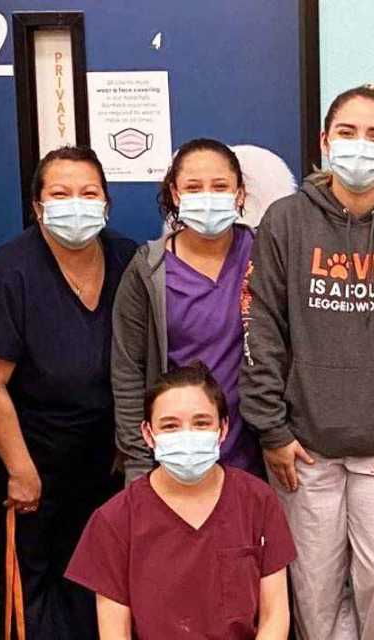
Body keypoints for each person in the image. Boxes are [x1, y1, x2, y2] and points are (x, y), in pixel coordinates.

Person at [242, 84, 374, 640]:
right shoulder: (286, 222)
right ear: (325, 142)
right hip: (303, 450)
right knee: (314, 598)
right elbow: (261, 328)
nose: (360, 145)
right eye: (347, 132)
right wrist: (272, 429)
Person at [0, 146, 137, 639]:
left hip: (105, 462)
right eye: (60, 194)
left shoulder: (128, 259)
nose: (76, 204)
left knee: (97, 579)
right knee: (29, 592)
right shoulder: (9, 273)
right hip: (32, 463)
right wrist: (20, 470)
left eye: (89, 193)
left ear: (106, 203)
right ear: (38, 207)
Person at [66, 363, 295, 639]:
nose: (187, 436)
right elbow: (115, 633)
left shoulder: (258, 501)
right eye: (170, 426)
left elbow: (275, 616)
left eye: (201, 423)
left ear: (223, 428)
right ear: (148, 434)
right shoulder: (114, 520)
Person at [113, 138, 261, 483]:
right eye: (193, 187)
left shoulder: (264, 253)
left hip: (255, 456)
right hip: (177, 455)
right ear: (175, 195)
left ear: (240, 194)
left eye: (220, 187)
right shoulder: (148, 269)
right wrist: (138, 463)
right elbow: (128, 371)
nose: (207, 197)